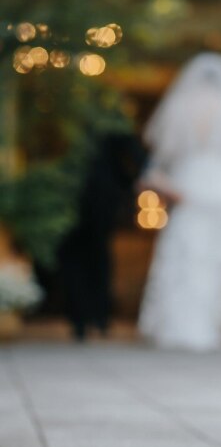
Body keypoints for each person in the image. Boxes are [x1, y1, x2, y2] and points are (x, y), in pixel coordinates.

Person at [137, 52, 221, 351]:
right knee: (217, 254)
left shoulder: (178, 105)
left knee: (184, 250)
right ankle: (208, 326)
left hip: (189, 179)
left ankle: (176, 325)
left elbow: (163, 149)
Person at [58, 125, 145, 341]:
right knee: (95, 260)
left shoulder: (78, 119)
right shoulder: (110, 119)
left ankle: (85, 319)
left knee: (82, 261)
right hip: (95, 200)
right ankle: (95, 317)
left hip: (79, 199)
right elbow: (135, 159)